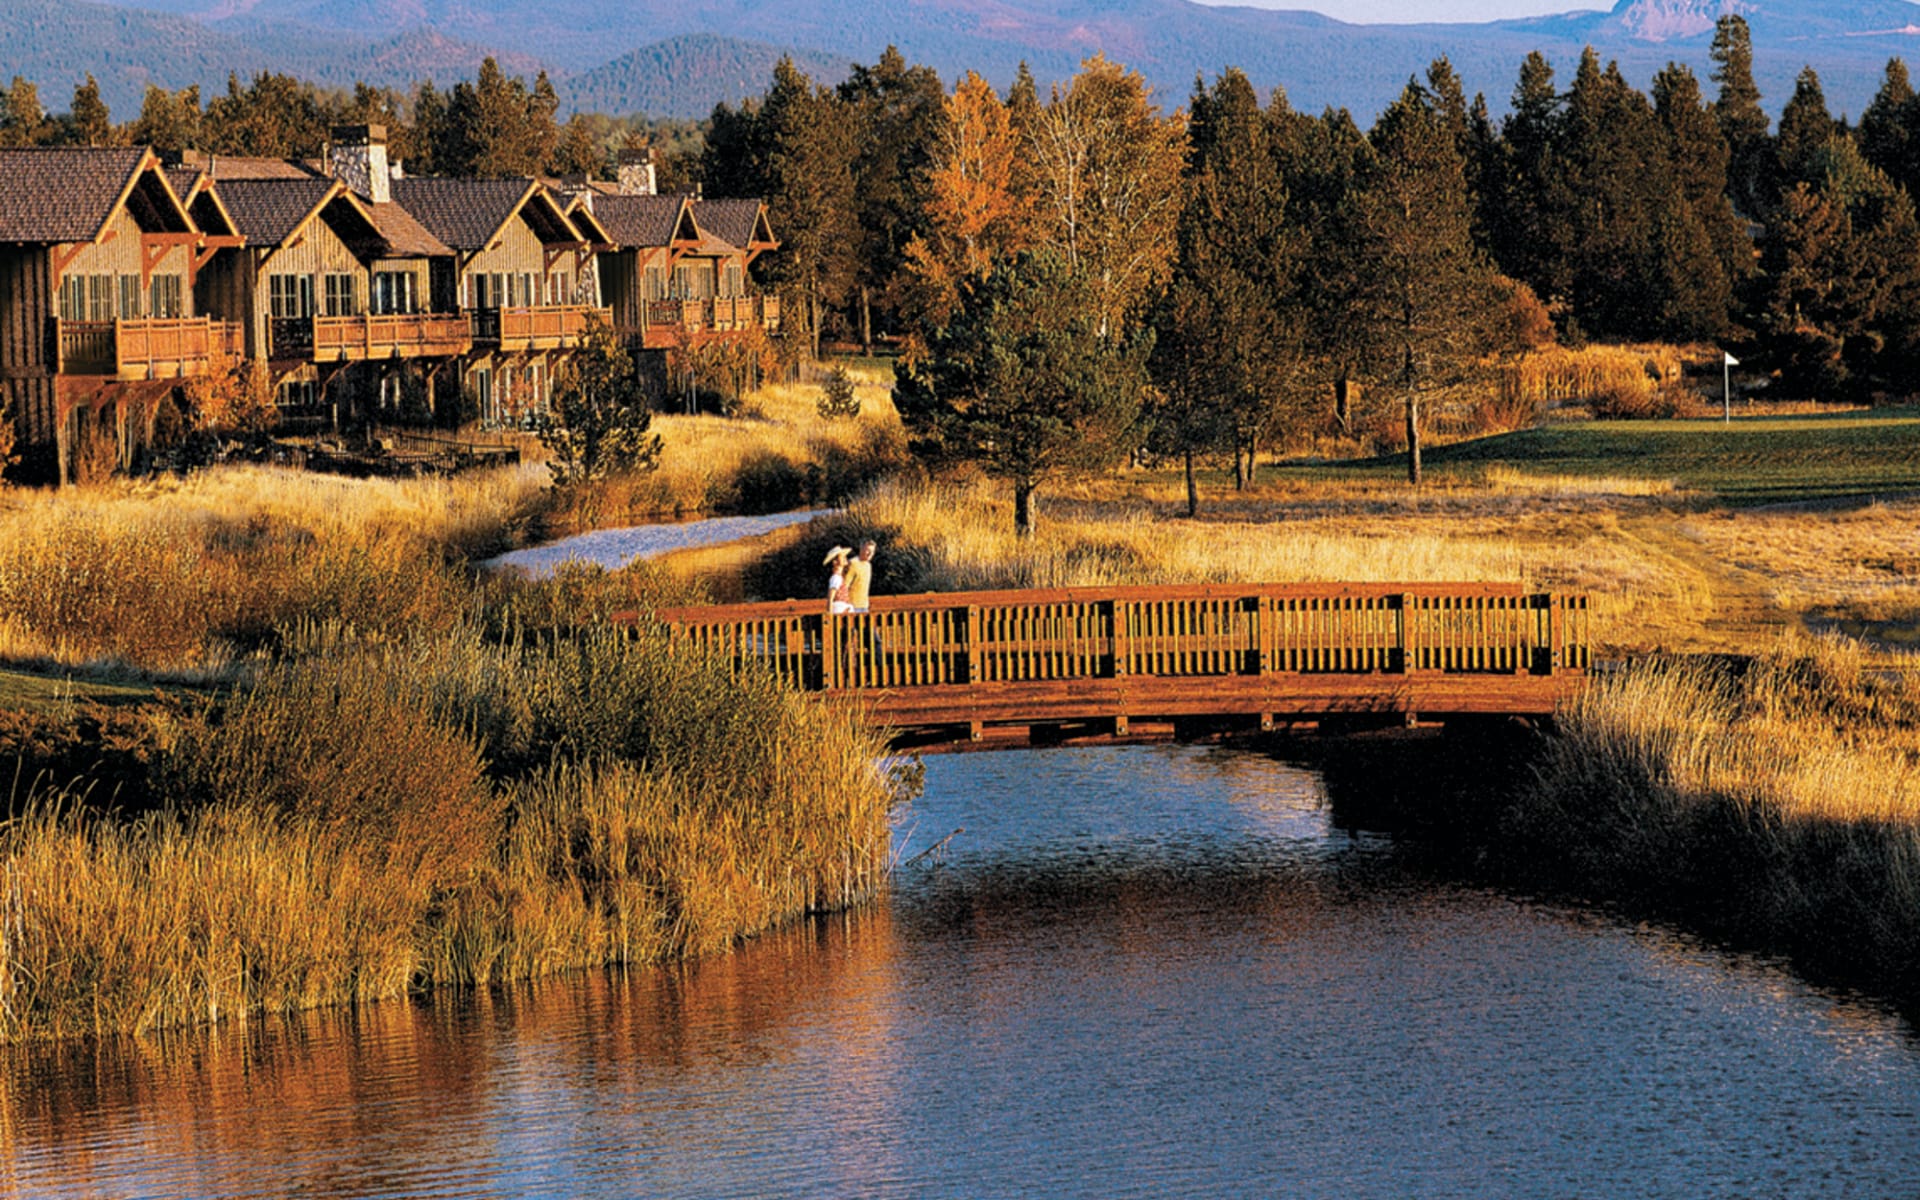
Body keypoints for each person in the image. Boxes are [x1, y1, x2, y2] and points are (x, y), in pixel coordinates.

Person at [846, 539, 876, 613]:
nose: (870, 553)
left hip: (864, 606)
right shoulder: (852, 564)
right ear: (861, 549)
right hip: (852, 606)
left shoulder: (868, 565)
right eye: (868, 550)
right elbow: (845, 585)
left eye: (872, 551)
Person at [824, 546, 854, 614]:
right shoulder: (836, 577)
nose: (845, 558)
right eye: (842, 557)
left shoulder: (839, 577)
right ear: (835, 562)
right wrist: (830, 614)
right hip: (839, 609)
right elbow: (831, 597)